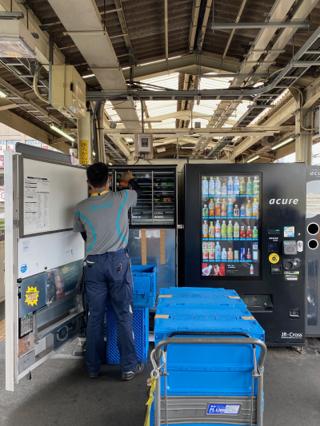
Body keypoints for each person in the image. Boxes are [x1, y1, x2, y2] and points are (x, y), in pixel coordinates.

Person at [73, 162, 143, 380]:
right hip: (118, 263)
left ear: (87, 182)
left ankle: (93, 367)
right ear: (109, 180)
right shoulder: (121, 198)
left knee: (95, 316)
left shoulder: (81, 207)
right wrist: (128, 178)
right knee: (123, 314)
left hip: (93, 264)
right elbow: (135, 191)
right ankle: (128, 367)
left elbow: (83, 234)